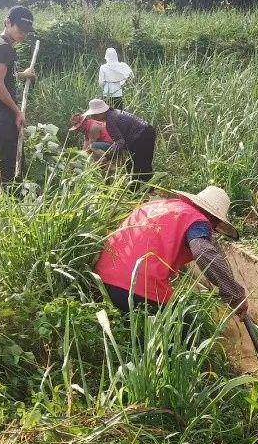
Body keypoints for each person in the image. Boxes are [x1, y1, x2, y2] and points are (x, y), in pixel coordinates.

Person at [94, 186, 247, 317]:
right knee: (188, 328)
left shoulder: (157, 206)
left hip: (101, 281)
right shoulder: (198, 220)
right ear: (213, 217)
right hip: (138, 289)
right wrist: (234, 293)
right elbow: (203, 251)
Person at [0, 6, 37, 194]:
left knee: (15, 152)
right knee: (10, 155)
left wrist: (23, 74)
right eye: (20, 30)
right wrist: (17, 111)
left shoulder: (2, 44)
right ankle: (13, 200)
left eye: (26, 31)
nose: (23, 34)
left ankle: (16, 192)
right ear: (7, 23)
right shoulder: (4, 48)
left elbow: (6, 76)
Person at [70, 98, 156, 184]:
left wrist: (107, 157)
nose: (93, 117)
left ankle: (143, 190)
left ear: (101, 112)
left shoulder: (110, 122)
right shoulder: (113, 113)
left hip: (143, 135)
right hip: (145, 132)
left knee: (140, 165)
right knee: (135, 164)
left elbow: (120, 143)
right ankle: (145, 188)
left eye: (94, 114)